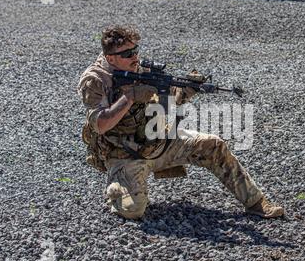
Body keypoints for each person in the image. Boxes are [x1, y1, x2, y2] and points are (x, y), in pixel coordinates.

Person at [77, 24, 284, 220]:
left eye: (136, 50)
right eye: (127, 54)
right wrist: (129, 97)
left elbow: (168, 99)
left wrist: (187, 90)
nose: (135, 57)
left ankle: (257, 203)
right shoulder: (95, 80)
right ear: (110, 58)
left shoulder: (139, 68)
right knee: (134, 211)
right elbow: (100, 124)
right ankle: (117, 190)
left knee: (213, 145)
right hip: (125, 154)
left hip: (159, 142)